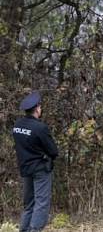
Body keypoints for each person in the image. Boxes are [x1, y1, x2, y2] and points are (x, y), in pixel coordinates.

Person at [12, 91, 58, 232]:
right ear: (37, 108)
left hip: (25, 169)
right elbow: (54, 151)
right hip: (40, 169)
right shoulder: (40, 128)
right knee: (42, 203)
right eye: (40, 106)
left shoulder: (17, 125)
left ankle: (24, 229)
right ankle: (34, 230)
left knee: (29, 204)